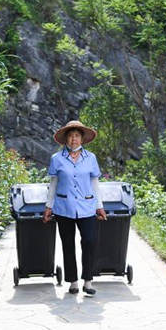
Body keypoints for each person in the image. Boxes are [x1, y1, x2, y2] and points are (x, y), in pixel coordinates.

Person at [42, 120, 106, 295]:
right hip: (64, 207)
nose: (74, 139)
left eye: (77, 136)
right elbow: (53, 184)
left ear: (82, 139)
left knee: (89, 241)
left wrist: (99, 206)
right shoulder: (57, 159)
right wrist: (48, 206)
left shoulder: (91, 158)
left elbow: (95, 183)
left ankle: (88, 281)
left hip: (87, 206)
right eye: (70, 136)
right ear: (65, 139)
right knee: (68, 244)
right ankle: (73, 282)